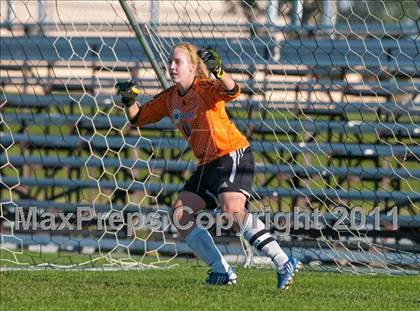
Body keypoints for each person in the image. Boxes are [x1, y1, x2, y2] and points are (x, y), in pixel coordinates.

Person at [116, 43, 302, 289]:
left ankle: (283, 260)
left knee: (232, 210)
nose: (172, 66)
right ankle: (221, 270)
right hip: (207, 164)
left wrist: (219, 71)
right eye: (170, 61)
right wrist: (128, 99)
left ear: (193, 67)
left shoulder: (204, 88)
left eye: (178, 62)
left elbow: (233, 91)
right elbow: (137, 118)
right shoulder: (170, 97)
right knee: (180, 215)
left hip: (231, 154)